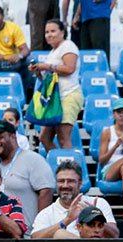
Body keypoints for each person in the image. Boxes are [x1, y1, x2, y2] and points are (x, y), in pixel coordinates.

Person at [0, 119, 54, 232]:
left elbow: (46, 191)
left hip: (25, 234)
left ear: (13, 137)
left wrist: (39, 229)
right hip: (0, 235)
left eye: (0, 137)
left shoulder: (33, 159)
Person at [28, 19, 81, 150]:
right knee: (44, 138)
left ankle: (70, 168)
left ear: (62, 32)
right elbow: (49, 80)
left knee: (63, 138)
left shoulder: (68, 46)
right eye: (46, 32)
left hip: (68, 95)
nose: (49, 35)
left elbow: (69, 69)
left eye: (53, 31)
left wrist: (46, 66)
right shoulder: (52, 52)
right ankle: (58, 165)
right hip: (54, 99)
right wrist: (38, 72)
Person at [31, 159, 117, 238]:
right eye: (61, 181)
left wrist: (95, 218)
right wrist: (67, 220)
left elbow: (115, 235)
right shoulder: (46, 213)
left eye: (70, 181)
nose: (65, 185)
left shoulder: (98, 203)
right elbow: (34, 239)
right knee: (60, 234)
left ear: (80, 184)